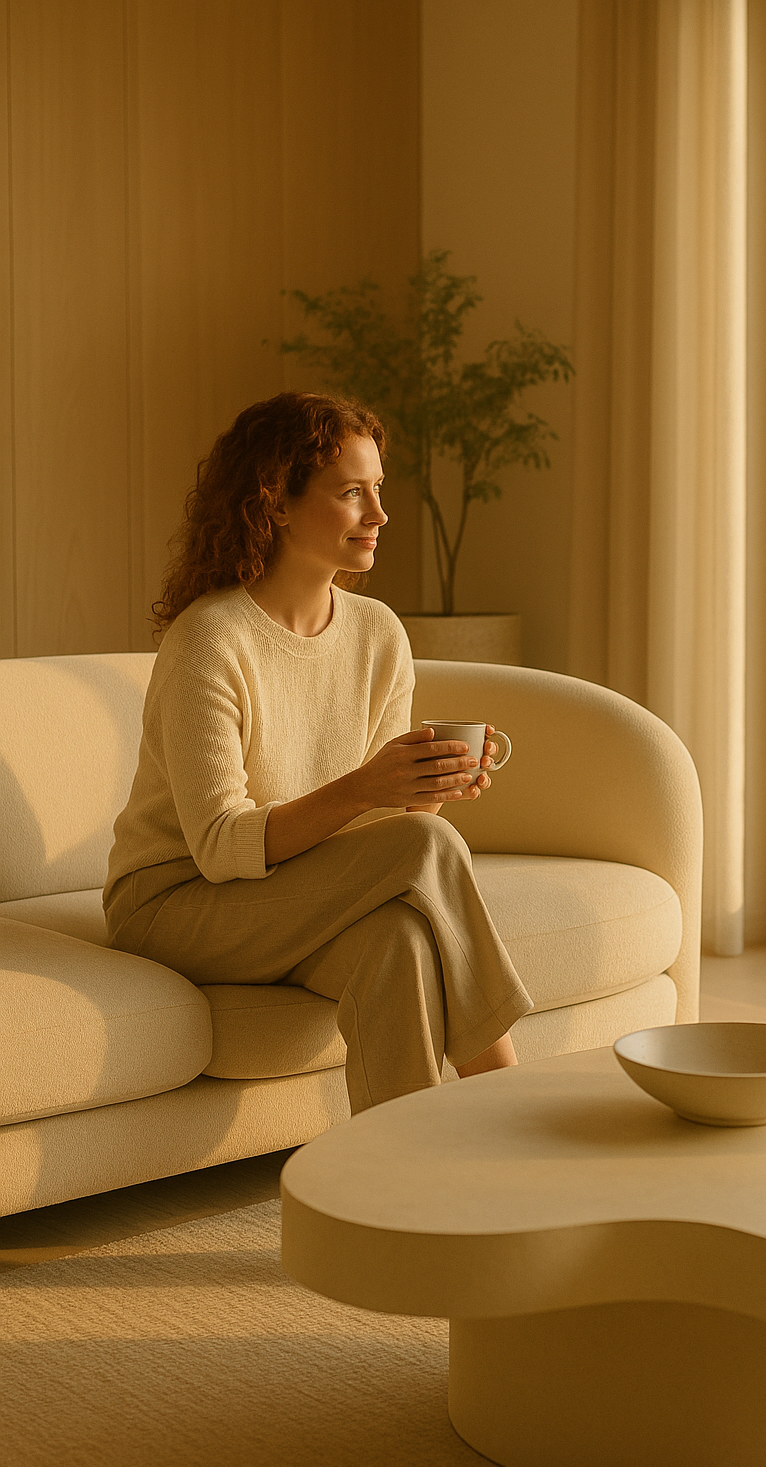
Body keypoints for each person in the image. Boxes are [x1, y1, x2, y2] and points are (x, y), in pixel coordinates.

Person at [103, 391, 531, 1114]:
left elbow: (377, 840)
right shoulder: (212, 639)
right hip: (175, 902)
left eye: (378, 490)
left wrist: (421, 786)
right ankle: (512, 1102)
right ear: (276, 503)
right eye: (352, 493)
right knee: (425, 845)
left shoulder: (378, 634)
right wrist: (370, 790)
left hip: (292, 889)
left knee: (395, 937)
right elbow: (215, 846)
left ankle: (402, 1187)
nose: (379, 514)